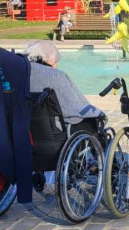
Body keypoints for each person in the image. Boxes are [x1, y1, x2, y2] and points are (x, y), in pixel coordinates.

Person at [24, 40, 106, 194]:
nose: (56, 65)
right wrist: (98, 113)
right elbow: (75, 108)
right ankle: (99, 166)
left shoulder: (18, 74)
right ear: (49, 59)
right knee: (97, 121)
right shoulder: (56, 75)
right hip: (55, 136)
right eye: (55, 62)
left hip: (26, 134)